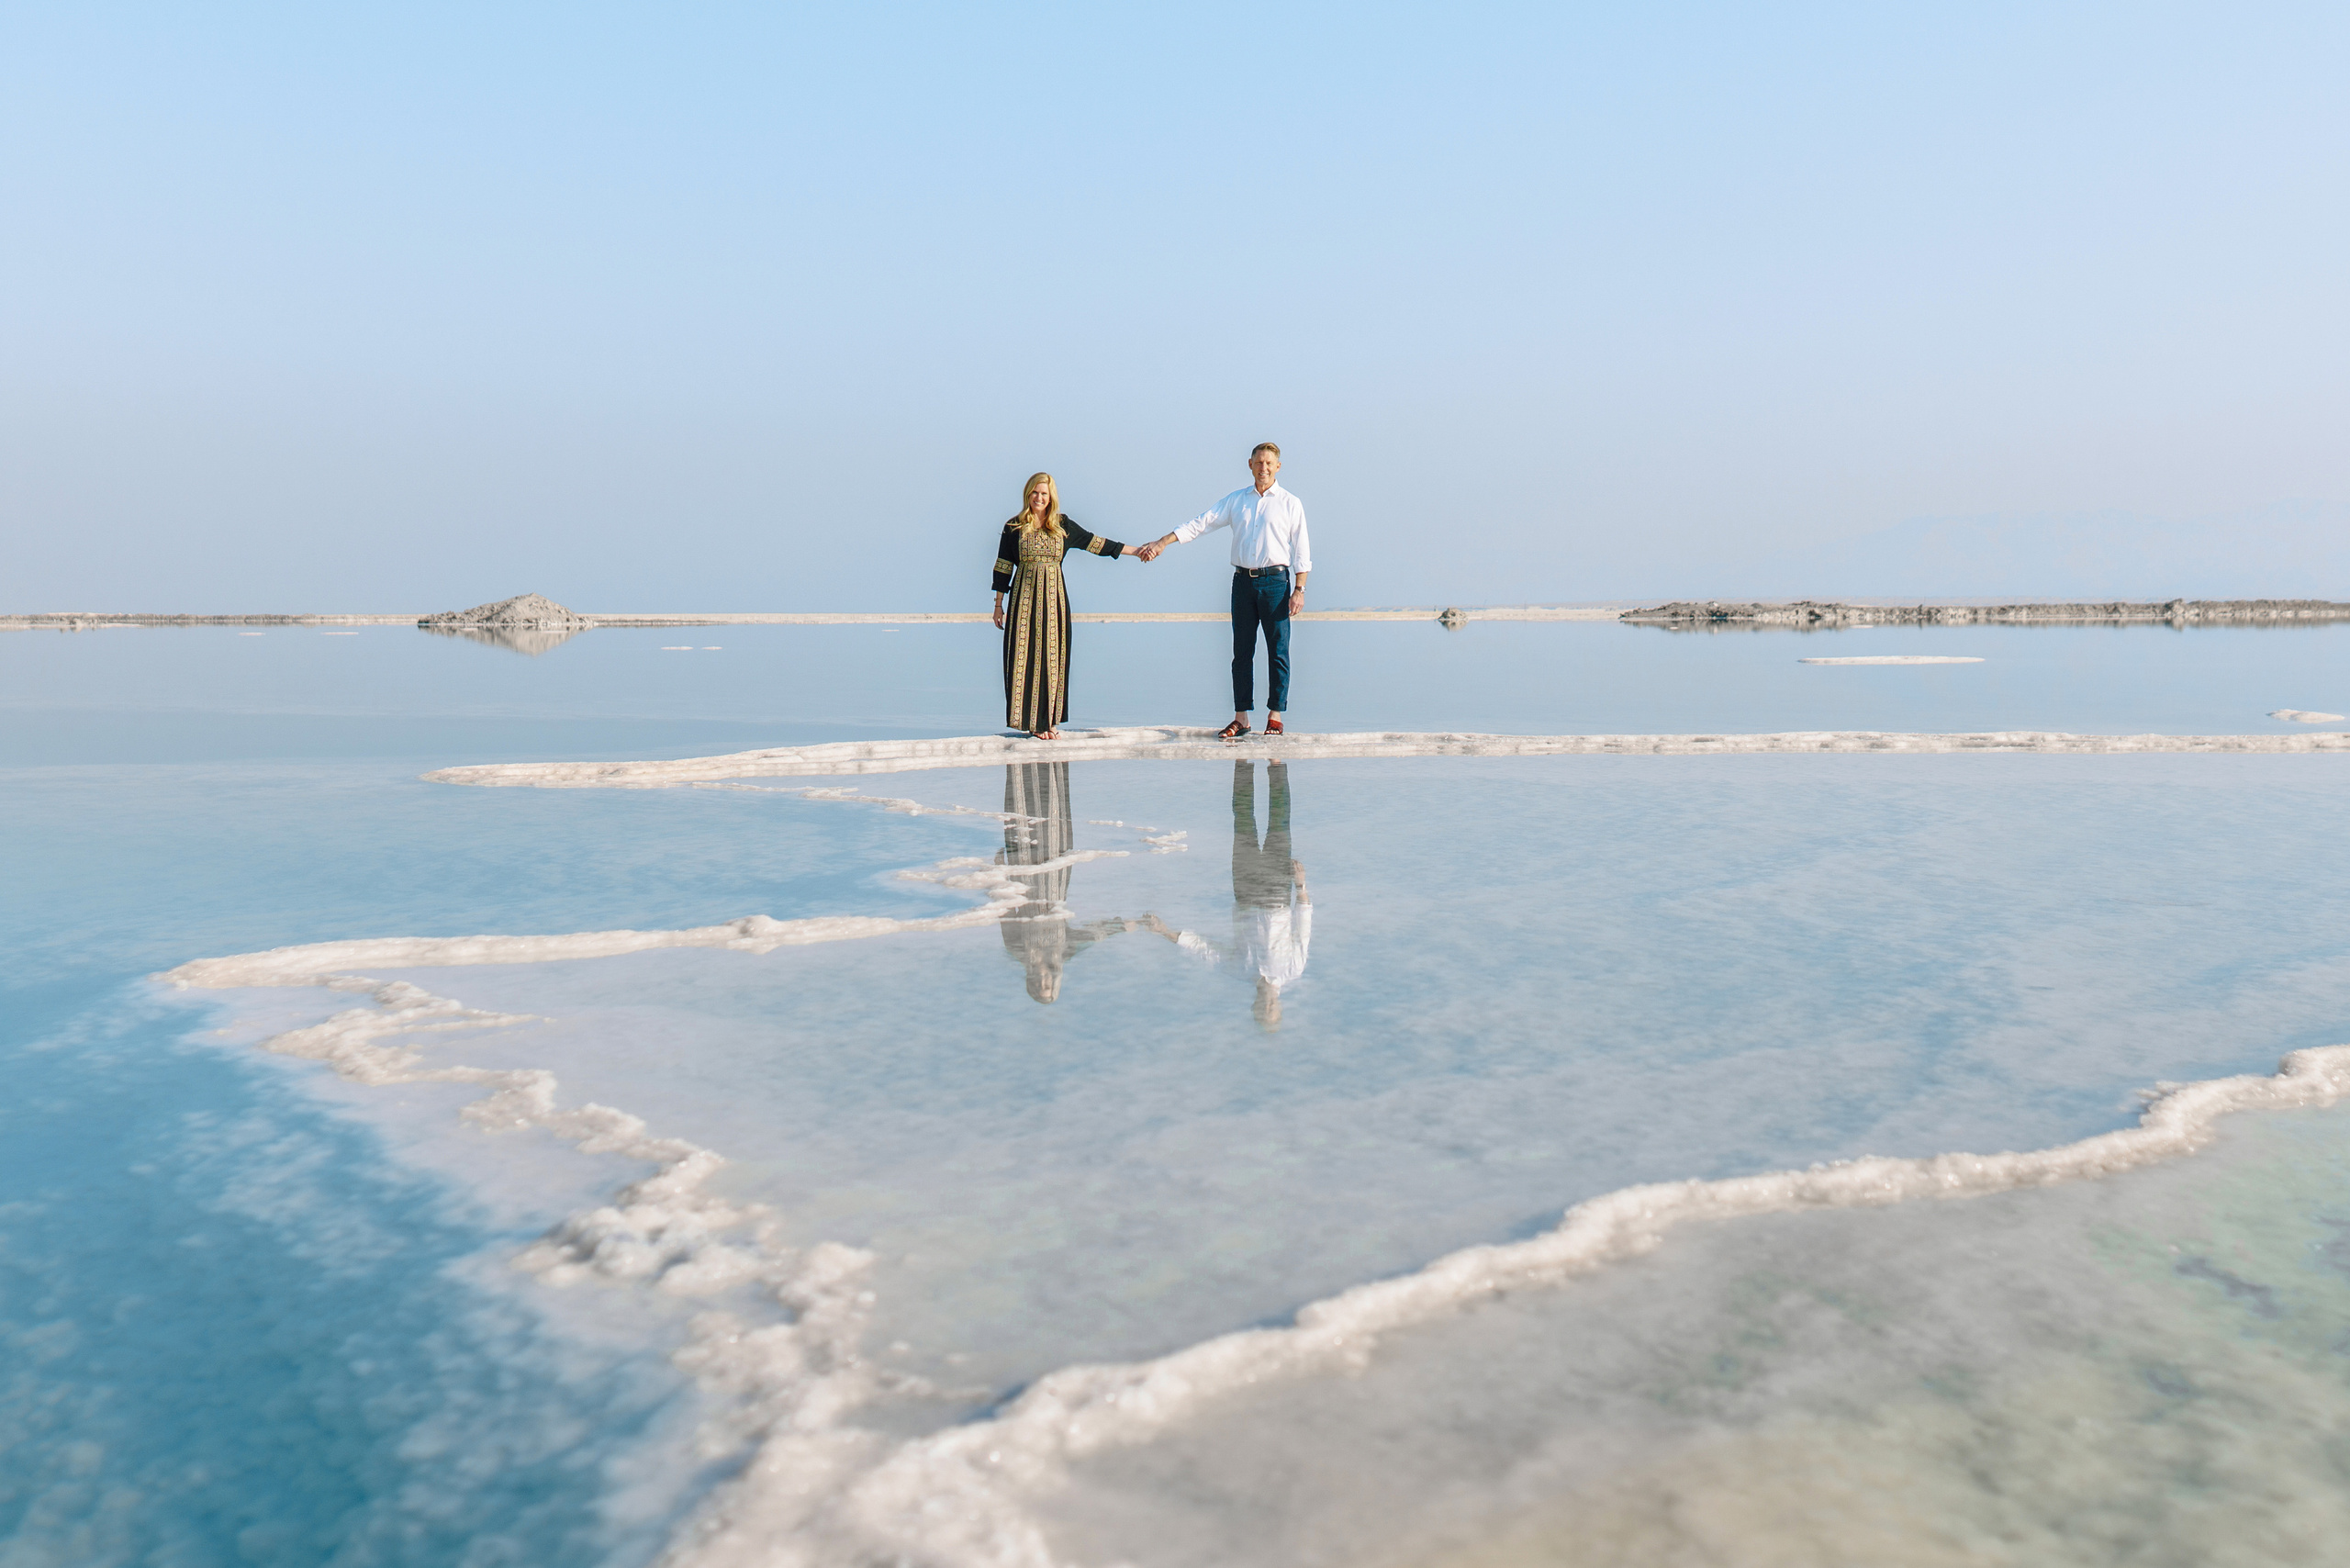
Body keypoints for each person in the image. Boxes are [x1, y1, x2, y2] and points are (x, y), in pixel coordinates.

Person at [1136, 442, 1312, 741]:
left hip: (1276, 583)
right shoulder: (1237, 501)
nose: (1263, 468)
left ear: (1277, 467)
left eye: (1269, 463)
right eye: (1258, 462)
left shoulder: (1290, 503)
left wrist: (1299, 589)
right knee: (1241, 652)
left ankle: (1275, 716)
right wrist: (1163, 541)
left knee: (1278, 651)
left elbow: (1302, 549)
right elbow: (1201, 523)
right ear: (1250, 464)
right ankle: (1241, 718)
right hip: (1242, 583)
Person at [1142, 759, 1312, 1030]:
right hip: (1278, 890)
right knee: (1279, 820)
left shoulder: (1240, 972)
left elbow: (1203, 949)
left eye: (1261, 1010)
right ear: (1279, 1006)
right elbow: (1303, 928)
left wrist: (1163, 931)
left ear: (1253, 1007)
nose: (1266, 1005)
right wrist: (1301, 886)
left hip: (1244, 889)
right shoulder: (1292, 970)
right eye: (1272, 1009)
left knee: (1243, 821)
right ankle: (1276, 763)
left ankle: (1243, 764)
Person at [991, 472, 1140, 739]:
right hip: (1023, 602)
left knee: (1052, 659)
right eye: (1035, 492)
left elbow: (1096, 543)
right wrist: (998, 604)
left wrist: (1137, 550)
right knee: (1023, 658)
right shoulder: (1014, 526)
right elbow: (1003, 566)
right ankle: (1032, 723)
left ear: (1051, 498)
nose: (1039, 497)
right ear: (1028, 494)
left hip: (1053, 603)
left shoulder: (1062, 525)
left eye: (1044, 494)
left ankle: (1049, 721)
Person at [995, 760, 1131, 1003]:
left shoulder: (1017, 950)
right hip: (1057, 877)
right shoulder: (1063, 952)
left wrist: (999, 872)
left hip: (1024, 878)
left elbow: (1005, 911)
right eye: (1048, 986)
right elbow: (1093, 936)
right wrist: (1123, 926)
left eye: (1039, 986)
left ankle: (1030, 761)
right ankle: (1050, 761)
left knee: (1023, 825)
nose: (1043, 981)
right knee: (1054, 822)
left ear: (1031, 983)